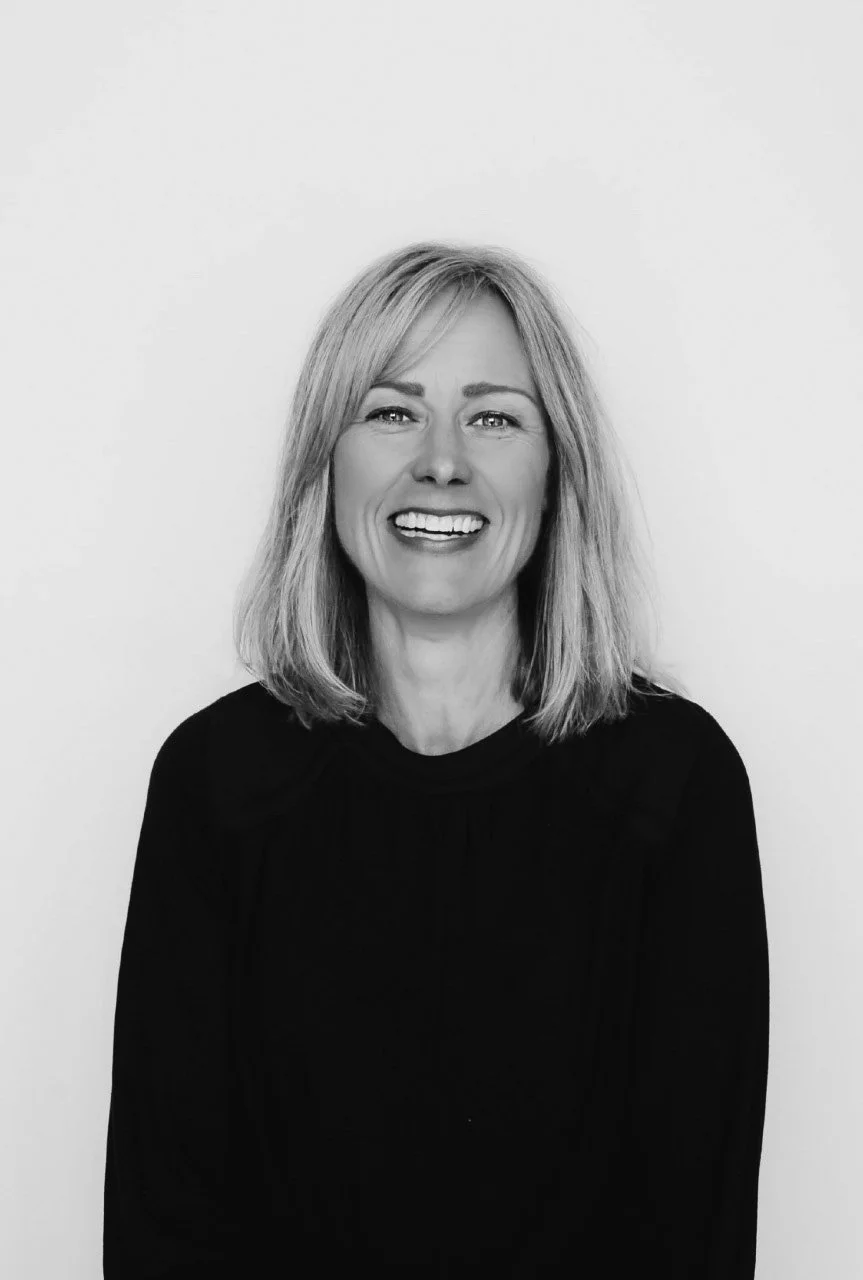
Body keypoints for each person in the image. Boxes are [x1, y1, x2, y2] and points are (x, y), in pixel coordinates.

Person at [103, 241, 770, 1278]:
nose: (441, 459)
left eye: (493, 415)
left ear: (557, 472)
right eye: (390, 409)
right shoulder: (215, 782)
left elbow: (690, 1231)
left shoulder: (673, 785)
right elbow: (164, 1226)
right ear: (324, 467)